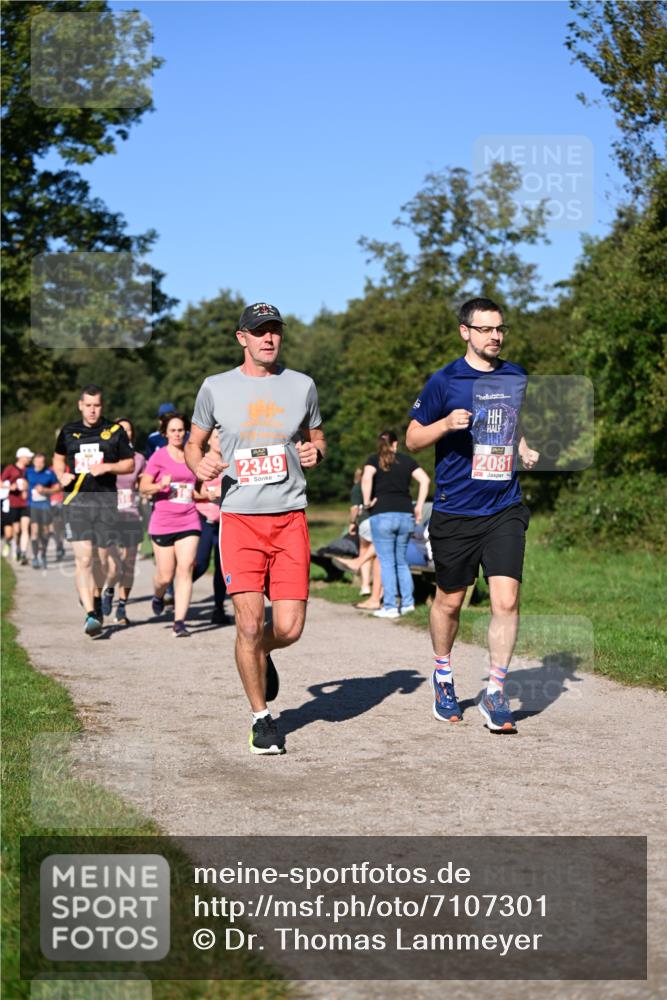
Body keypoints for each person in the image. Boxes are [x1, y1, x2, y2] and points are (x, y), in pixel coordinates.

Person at [185, 301, 326, 756]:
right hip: (240, 519)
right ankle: (261, 719)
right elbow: (193, 444)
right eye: (260, 331)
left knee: (289, 628)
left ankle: (262, 652)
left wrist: (316, 451)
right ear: (241, 337)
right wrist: (199, 464)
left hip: (289, 518)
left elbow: (316, 436)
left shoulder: (302, 386)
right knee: (248, 624)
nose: (269, 338)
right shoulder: (215, 387)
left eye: (275, 330)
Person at [406, 297, 539, 733]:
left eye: (500, 329)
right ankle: (443, 675)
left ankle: (495, 690)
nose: (495, 336)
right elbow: (412, 439)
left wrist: (523, 447)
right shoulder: (445, 381)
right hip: (456, 510)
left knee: (507, 600)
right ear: (465, 331)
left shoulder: (515, 375)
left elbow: (512, 421)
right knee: (450, 601)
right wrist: (445, 424)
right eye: (485, 329)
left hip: (504, 506)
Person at [53, 385, 134, 636]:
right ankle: (90, 614)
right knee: (85, 558)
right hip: (76, 502)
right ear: (80, 405)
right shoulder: (69, 431)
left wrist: (107, 467)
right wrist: (60, 475)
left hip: (105, 502)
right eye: (88, 405)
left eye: (96, 405)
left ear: (102, 406)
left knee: (104, 561)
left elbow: (129, 464)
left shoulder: (115, 431)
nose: (92, 410)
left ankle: (97, 597)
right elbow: (58, 458)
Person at [139, 412, 201, 637]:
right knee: (165, 576)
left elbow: (197, 488)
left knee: (185, 568)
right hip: (163, 521)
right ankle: (158, 595)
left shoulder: (193, 455)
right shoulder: (158, 457)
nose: (177, 434)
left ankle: (179, 622)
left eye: (180, 430)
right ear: (165, 433)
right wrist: (159, 486)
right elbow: (143, 487)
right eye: (173, 430)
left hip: (189, 518)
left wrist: (208, 494)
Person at [360, 431, 430, 620]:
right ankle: (408, 604)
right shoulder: (407, 460)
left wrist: (366, 503)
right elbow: (425, 480)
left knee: (387, 562)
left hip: (382, 514)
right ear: (396, 444)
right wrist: (419, 507)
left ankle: (390, 606)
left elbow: (366, 478)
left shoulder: (373, 460)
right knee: (401, 561)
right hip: (406, 514)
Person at [101, 418, 146, 625]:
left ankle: (121, 607)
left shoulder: (139, 459)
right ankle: (109, 589)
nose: (125, 433)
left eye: (128, 430)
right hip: (109, 516)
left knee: (129, 565)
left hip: (131, 515)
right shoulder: (105, 457)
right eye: (120, 430)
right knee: (114, 566)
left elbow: (144, 484)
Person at [192, 429, 227, 625]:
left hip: (226, 522)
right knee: (201, 564)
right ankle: (177, 589)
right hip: (204, 519)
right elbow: (191, 491)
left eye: (223, 436)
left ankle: (218, 609)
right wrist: (208, 494)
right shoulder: (200, 462)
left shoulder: (231, 461)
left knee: (222, 569)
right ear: (209, 440)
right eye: (216, 437)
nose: (220, 440)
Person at [25, 452, 59, 568]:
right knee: (34, 531)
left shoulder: (49, 473)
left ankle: (43, 554)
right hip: (32, 505)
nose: (39, 464)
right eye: (37, 462)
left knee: (45, 531)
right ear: (33, 462)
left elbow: (57, 487)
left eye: (42, 462)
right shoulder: (28, 471)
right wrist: (24, 489)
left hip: (45, 505)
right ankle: (35, 557)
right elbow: (23, 482)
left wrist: (45, 490)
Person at [1, 447, 33, 564]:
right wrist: (10, 487)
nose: (30, 459)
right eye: (28, 457)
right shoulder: (10, 468)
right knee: (13, 532)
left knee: (24, 528)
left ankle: (21, 552)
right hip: (12, 503)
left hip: (25, 503)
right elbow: (0, 482)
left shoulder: (29, 470)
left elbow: (32, 484)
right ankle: (9, 543)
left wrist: (27, 487)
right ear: (21, 457)